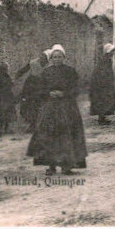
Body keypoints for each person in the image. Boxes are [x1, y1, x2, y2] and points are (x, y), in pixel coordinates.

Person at [26, 45, 87, 175]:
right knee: (49, 135)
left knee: (67, 135)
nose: (57, 59)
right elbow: (39, 89)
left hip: (67, 107)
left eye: (60, 57)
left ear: (64, 58)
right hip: (50, 107)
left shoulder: (70, 72)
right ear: (51, 59)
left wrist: (64, 94)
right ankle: (51, 165)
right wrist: (48, 93)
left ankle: (67, 165)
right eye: (54, 57)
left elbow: (76, 89)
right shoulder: (46, 72)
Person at [18, 50, 50, 132]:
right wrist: (17, 76)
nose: (41, 57)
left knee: (38, 105)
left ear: (47, 59)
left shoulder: (49, 66)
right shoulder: (34, 62)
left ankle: (34, 124)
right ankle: (31, 122)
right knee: (27, 104)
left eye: (44, 56)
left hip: (42, 87)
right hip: (31, 85)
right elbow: (24, 70)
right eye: (41, 55)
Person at [90, 44, 115, 125]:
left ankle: (103, 117)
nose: (113, 53)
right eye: (112, 51)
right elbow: (101, 72)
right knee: (102, 100)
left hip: (106, 82)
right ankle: (101, 118)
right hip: (101, 83)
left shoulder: (108, 59)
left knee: (105, 101)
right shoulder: (105, 60)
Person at [0, 63, 16, 133]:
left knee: (4, 112)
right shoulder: (4, 77)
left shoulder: (1, 77)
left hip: (4, 97)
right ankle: (3, 127)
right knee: (4, 112)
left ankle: (4, 127)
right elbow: (7, 86)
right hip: (5, 97)